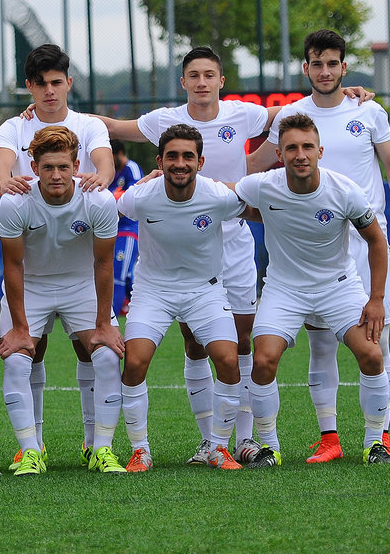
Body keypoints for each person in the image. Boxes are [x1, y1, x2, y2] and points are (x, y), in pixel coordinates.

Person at [95, 46, 372, 466]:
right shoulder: (163, 122)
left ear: (221, 81)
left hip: (233, 235)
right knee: (193, 344)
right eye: (194, 75)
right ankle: (206, 441)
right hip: (181, 245)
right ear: (183, 81)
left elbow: (297, 113)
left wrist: (340, 95)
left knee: (240, 343)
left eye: (209, 74)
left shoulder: (243, 114)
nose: (202, 82)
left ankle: (242, 440)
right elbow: (112, 126)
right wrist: (55, 115)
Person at [247, 29, 390, 463]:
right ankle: (329, 438)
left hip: (366, 241)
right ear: (306, 68)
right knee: (321, 346)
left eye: (332, 64)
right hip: (313, 248)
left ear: (344, 67)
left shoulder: (368, 110)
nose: (325, 71)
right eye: (317, 64)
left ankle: (380, 437)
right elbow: (253, 166)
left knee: (377, 343)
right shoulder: (291, 115)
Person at [234, 112, 390, 467]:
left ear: (320, 151)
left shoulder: (345, 190)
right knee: (263, 360)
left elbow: (376, 241)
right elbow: (219, 195)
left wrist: (376, 298)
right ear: (280, 154)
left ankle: (374, 444)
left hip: (338, 286)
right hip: (283, 289)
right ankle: (269, 447)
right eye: (292, 148)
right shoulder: (263, 185)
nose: (300, 155)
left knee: (371, 355)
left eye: (308, 147)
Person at [0, 43, 115, 469]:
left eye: (56, 83)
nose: (49, 91)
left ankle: (96, 445)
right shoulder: (14, 127)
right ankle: (33, 448)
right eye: (41, 84)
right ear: (29, 86)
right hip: (34, 277)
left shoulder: (88, 125)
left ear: (68, 83)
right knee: (25, 353)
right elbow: (1, 168)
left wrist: (100, 179)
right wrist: (5, 183)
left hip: (79, 278)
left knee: (100, 353)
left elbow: (104, 166)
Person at [117, 123, 253, 472]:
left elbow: (261, 211)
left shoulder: (218, 196)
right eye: (172, 156)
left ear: (200, 162)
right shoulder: (140, 196)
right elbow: (107, 213)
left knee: (228, 360)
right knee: (134, 363)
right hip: (153, 291)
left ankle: (218, 448)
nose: (180, 163)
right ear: (159, 161)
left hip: (204, 290)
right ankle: (140, 450)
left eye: (188, 156)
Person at [107, 139, 143, 316]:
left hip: (128, 230)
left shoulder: (132, 169)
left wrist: (112, 196)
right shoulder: (110, 172)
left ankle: (110, 318)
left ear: (119, 154)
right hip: (110, 229)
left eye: (110, 156)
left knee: (119, 274)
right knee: (126, 275)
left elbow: (133, 196)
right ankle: (136, 309)